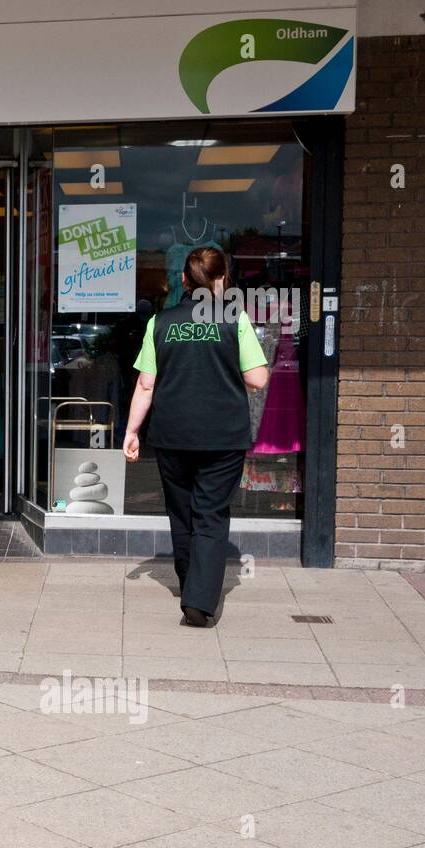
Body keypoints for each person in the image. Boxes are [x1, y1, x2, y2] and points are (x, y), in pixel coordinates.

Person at [123, 246, 270, 627]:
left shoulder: (162, 321)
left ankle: (190, 583)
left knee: (181, 510)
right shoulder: (235, 318)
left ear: (184, 281)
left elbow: (145, 384)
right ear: (222, 279)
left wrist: (131, 431)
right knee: (211, 514)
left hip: (172, 434)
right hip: (223, 436)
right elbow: (257, 377)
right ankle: (200, 600)